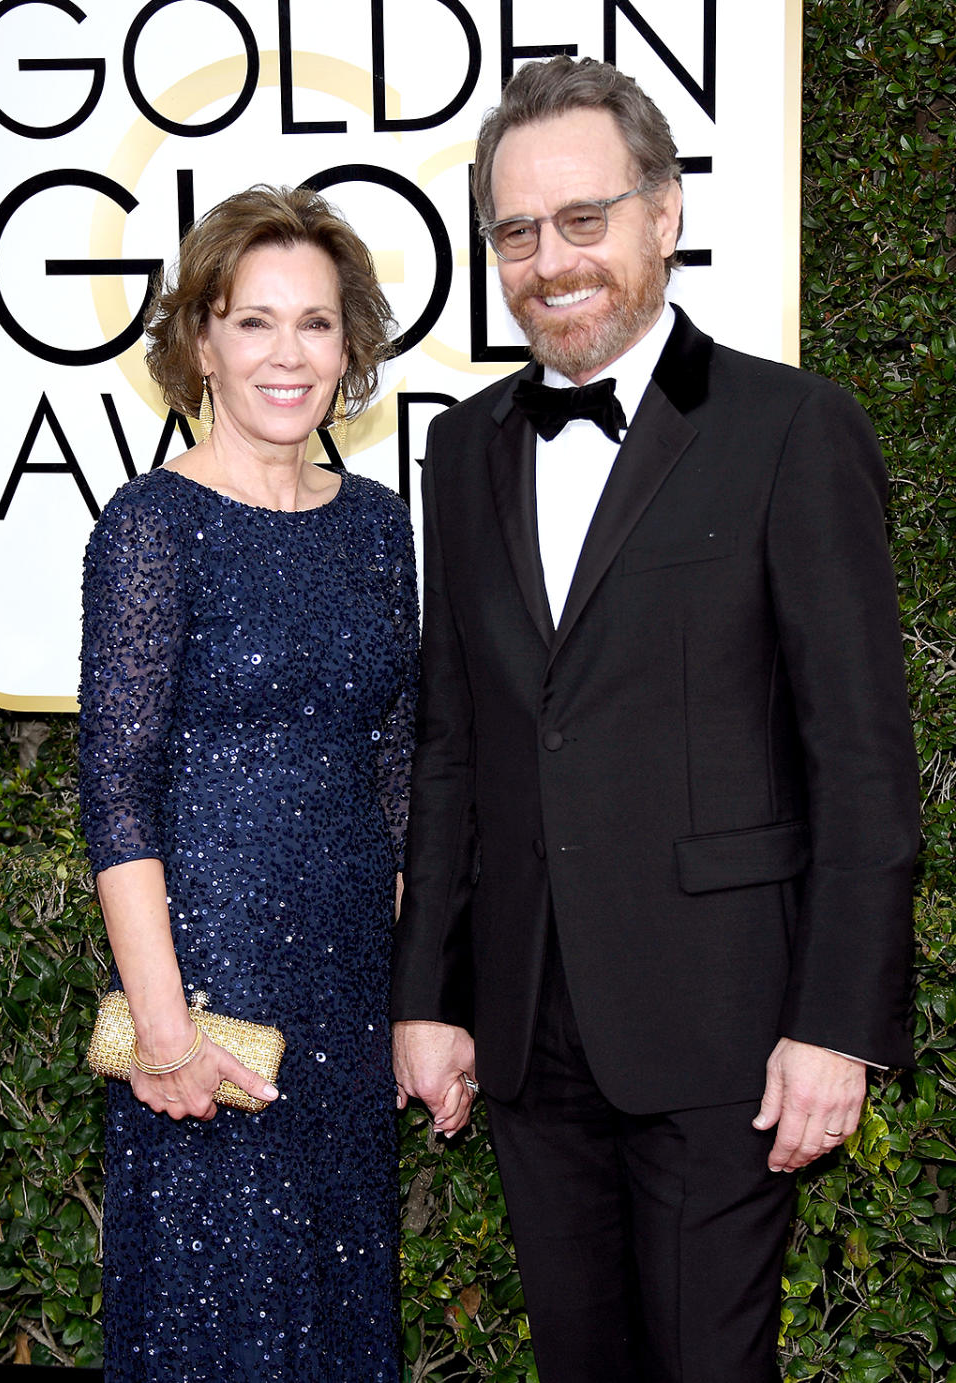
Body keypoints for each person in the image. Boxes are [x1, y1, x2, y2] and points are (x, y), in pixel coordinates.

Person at [391, 56, 919, 1383]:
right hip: (524, 1026)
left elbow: (860, 757)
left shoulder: (793, 427)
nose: (549, 260)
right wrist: (431, 995)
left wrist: (838, 1022)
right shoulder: (462, 453)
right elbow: (455, 744)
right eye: (516, 231)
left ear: (664, 213)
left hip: (726, 1023)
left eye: (583, 219)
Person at [79, 184, 417, 1382]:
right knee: (216, 1319)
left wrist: (411, 996)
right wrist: (164, 1030)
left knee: (337, 1312)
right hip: (209, 1002)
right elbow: (114, 790)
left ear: (350, 346)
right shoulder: (151, 525)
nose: (288, 353)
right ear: (202, 342)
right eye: (254, 320)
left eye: (316, 323)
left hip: (346, 998)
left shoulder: (378, 527)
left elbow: (395, 777)